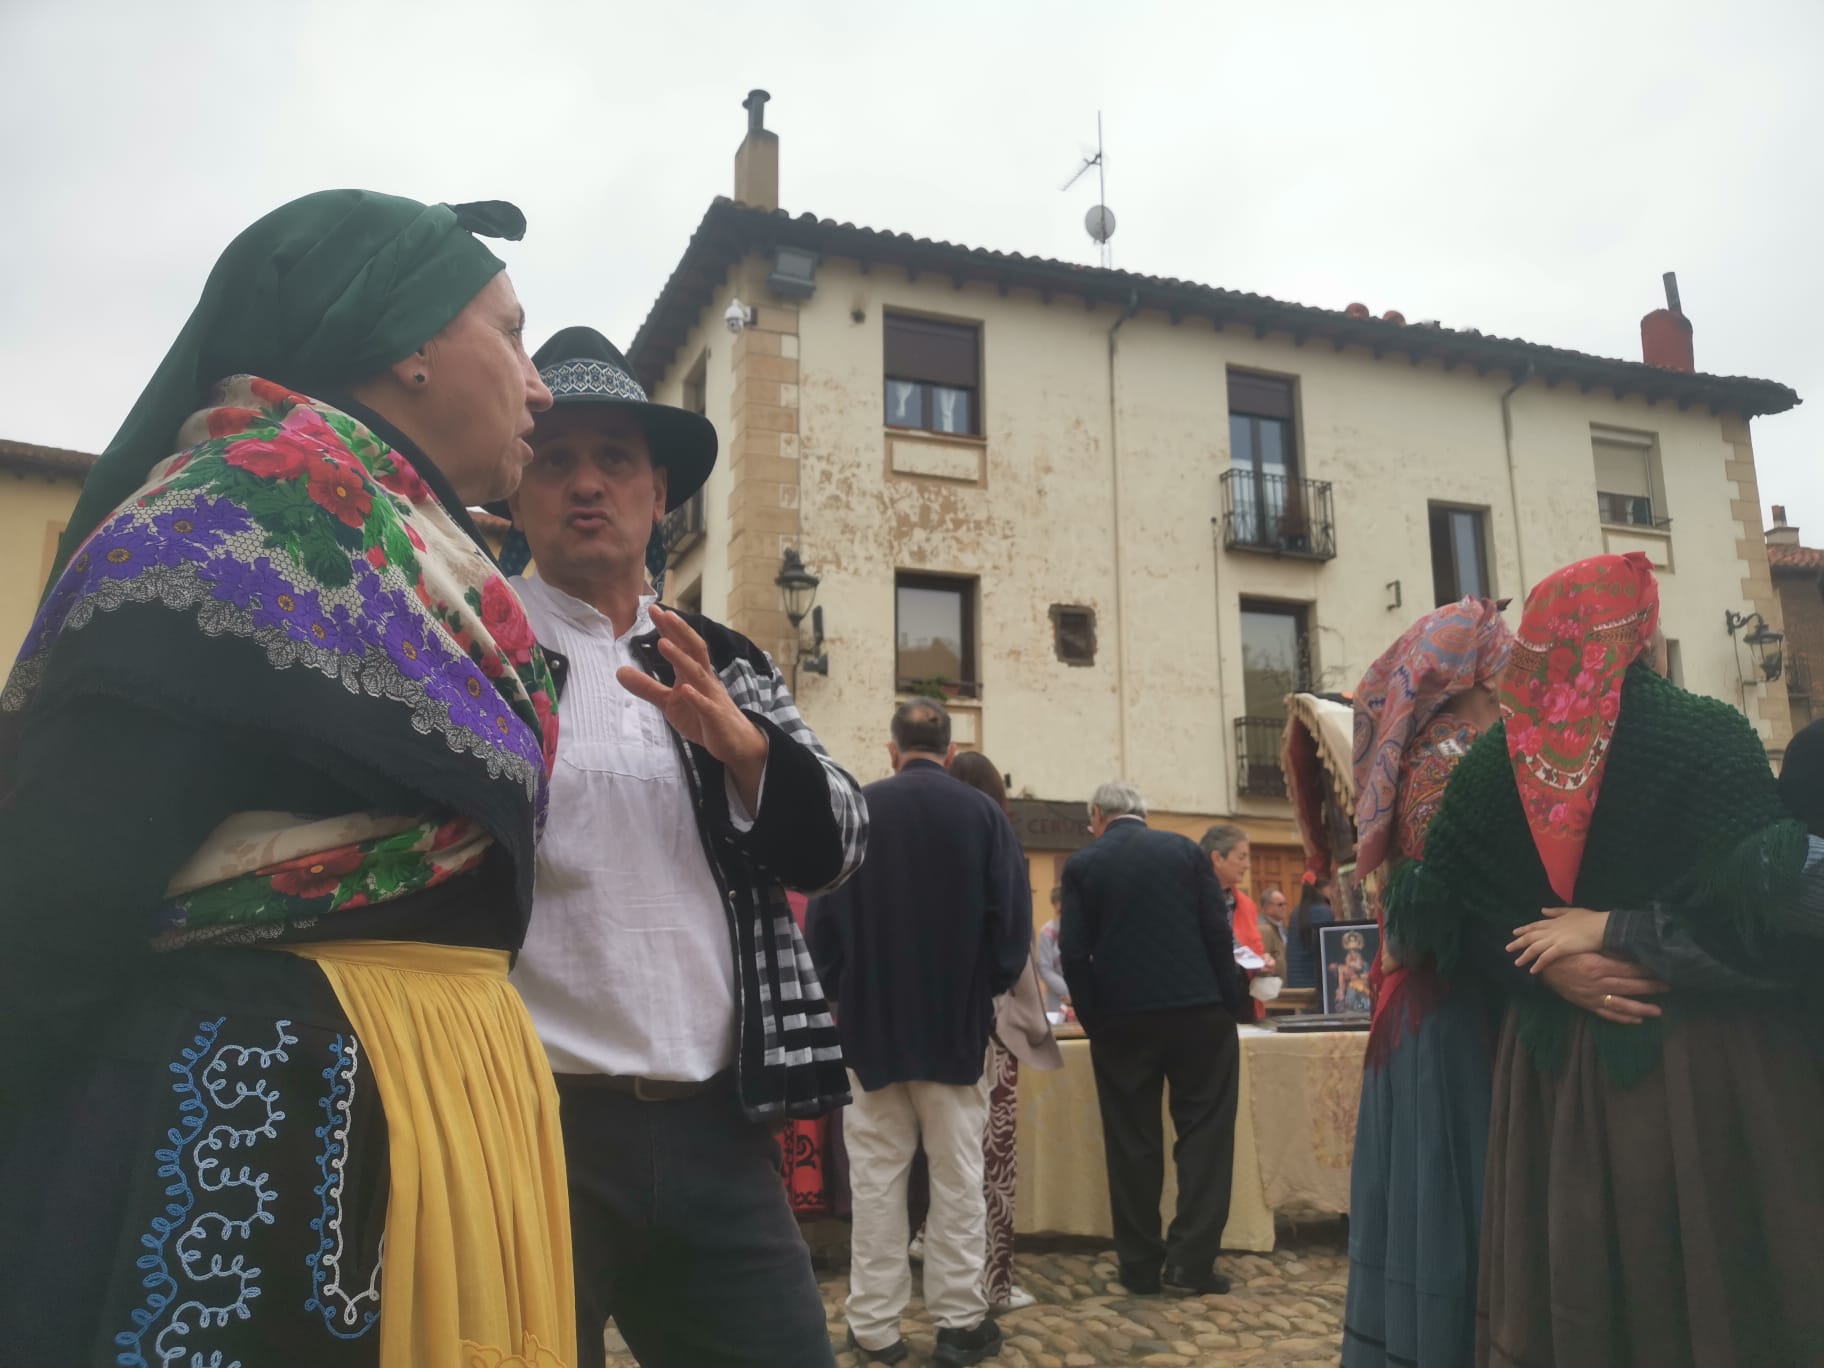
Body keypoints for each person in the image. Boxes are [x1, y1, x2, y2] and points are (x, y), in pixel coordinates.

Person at [0, 190, 577, 1364]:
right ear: (409, 346)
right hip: (261, 1132)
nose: (539, 381)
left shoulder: (431, 567)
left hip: (445, 1106)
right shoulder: (226, 538)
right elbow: (48, 910)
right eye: (511, 333)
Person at [500, 327, 867, 1367]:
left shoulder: (725, 658)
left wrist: (745, 749)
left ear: (660, 495)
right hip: (531, 1126)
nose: (586, 485)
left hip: (716, 1129)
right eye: (556, 458)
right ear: (516, 489)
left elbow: (841, 845)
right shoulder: (476, 642)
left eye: (614, 461)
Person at [1389, 553, 1824, 1367]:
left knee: (1575, 1297)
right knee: (1715, 1290)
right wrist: (1620, 934)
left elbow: (1434, 917)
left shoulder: (1488, 766)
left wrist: (1541, 961)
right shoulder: (1707, 735)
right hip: (1703, 1064)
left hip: (1549, 1075)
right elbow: (1761, 921)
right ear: (1645, 635)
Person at [805, 700, 1031, 1366]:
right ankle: (959, 1324)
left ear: (891, 748)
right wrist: (978, 988)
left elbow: (824, 928)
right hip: (955, 1029)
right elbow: (1011, 931)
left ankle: (874, 1326)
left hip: (873, 1027)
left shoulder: (858, 809)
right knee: (959, 1180)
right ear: (951, 747)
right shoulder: (984, 816)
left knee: (877, 1179)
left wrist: (848, 992)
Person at [1340, 596, 1519, 1367]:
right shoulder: (1460, 753)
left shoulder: (1419, 753)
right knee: (1457, 1207)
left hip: (1413, 1014)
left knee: (1420, 1208)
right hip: (1453, 1014)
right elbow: (1463, 905)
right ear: (1476, 664)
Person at [1061, 782, 1253, 1296]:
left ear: (1098, 815)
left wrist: (1092, 1018)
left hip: (1122, 1021)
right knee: (1206, 1137)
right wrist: (1227, 1002)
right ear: (1143, 813)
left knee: (1131, 1142)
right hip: (1198, 1015)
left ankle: (1140, 1266)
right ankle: (1191, 1263)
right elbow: (1217, 931)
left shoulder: (1082, 865)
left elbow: (1073, 955)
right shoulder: (1185, 852)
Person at [1202, 823, 1267, 1018]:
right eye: (1241, 857)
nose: (1248, 865)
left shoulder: (1246, 904)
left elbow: (1251, 947)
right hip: (1207, 997)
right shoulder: (1191, 899)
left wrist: (1262, 961)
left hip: (1243, 997)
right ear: (1217, 858)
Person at [1286, 874, 1336, 989]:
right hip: (1318, 980)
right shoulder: (1326, 912)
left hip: (1295, 980)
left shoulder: (1295, 913)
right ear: (1322, 890)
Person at [1037, 884, 1071, 1013]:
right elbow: (1045, 969)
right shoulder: (1047, 932)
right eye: (1059, 911)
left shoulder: (1085, 929)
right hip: (1058, 998)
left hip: (1083, 996)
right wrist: (1069, 991)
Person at [1258, 886, 1290, 979]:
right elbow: (1264, 960)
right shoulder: (1263, 929)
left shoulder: (1282, 927)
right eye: (1280, 904)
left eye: (1285, 904)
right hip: (1272, 985)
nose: (1284, 907)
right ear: (1266, 907)